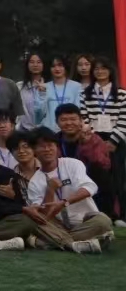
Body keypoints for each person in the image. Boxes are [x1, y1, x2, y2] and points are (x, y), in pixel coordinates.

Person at [24, 127, 115, 253]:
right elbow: (43, 216)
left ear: (57, 147)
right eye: (41, 146)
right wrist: (50, 190)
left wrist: (64, 202)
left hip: (85, 222)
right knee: (33, 221)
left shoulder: (73, 164)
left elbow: (90, 187)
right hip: (58, 226)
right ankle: (77, 244)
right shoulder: (35, 181)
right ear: (34, 151)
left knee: (103, 221)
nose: (47, 149)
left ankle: (50, 243)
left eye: (50, 145)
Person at [81, 58, 126, 225]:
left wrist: (113, 141)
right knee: (96, 176)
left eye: (103, 68)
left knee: (118, 178)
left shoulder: (121, 94)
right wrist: (96, 141)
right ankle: (101, 213)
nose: (100, 72)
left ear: (110, 71)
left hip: (116, 140)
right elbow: (84, 117)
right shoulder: (86, 93)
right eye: (97, 69)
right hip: (94, 139)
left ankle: (121, 215)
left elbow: (124, 118)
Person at [17, 51, 49, 131]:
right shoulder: (19, 86)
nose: (35, 65)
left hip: (46, 130)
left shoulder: (50, 86)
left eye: (39, 62)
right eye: (32, 62)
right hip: (24, 130)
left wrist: (43, 92)